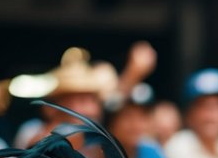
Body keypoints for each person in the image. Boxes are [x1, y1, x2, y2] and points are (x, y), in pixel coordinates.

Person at [14, 41, 156, 150]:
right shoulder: (31, 130)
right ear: (55, 106)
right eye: (82, 101)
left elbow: (115, 101)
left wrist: (133, 74)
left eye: (94, 101)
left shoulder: (95, 140)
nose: (91, 110)